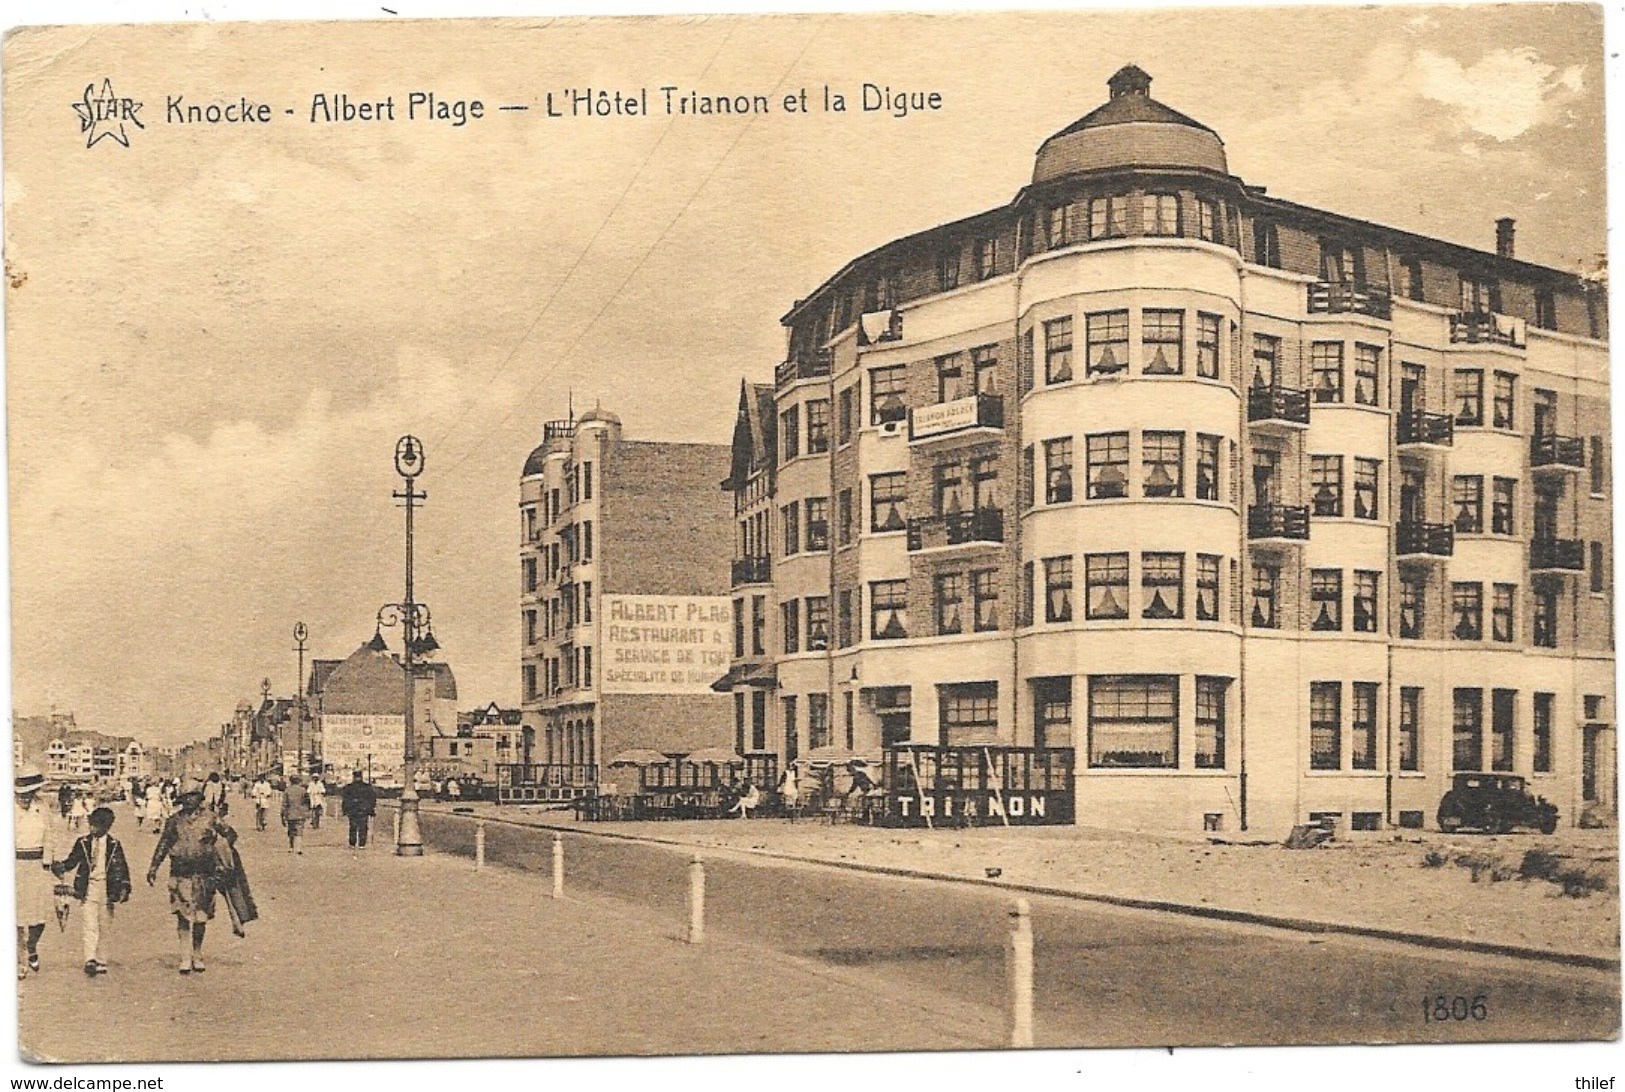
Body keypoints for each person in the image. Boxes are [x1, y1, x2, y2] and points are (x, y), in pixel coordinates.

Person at [147, 779, 235, 974]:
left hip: (205, 873)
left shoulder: (211, 818)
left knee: (201, 917)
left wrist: (216, 841)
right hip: (180, 872)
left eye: (192, 797)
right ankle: (185, 956)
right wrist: (153, 867)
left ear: (199, 799)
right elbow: (163, 844)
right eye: (185, 798)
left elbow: (230, 835)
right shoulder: (174, 820)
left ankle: (197, 952)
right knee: (183, 915)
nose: (188, 801)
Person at [53, 806, 132, 976]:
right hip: (88, 888)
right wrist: (60, 866)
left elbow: (122, 867)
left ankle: (101, 959)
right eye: (91, 825)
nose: (92, 829)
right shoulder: (82, 843)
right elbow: (72, 861)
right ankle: (90, 959)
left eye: (96, 826)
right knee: (89, 924)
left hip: (107, 888)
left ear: (107, 827)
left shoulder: (115, 845)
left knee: (104, 924)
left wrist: (124, 887)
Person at [15, 767, 56, 981]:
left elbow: (49, 834)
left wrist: (47, 861)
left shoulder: (42, 806)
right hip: (16, 866)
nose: (27, 797)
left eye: (32, 792)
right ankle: (21, 961)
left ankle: (32, 946)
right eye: (24, 793)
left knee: (41, 917)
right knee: (18, 918)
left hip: (39, 865)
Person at [340, 770, 377, 850]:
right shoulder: (367, 787)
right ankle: (361, 844)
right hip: (362, 810)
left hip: (354, 809)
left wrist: (345, 810)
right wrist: (371, 809)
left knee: (353, 827)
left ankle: (353, 843)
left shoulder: (349, 787)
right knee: (362, 827)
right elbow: (372, 798)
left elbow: (345, 799)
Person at [281, 774, 311, 855]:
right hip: (300, 813)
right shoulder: (303, 790)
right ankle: (298, 848)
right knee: (299, 830)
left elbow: (284, 804)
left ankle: (291, 847)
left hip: (290, 813)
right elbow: (307, 802)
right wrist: (307, 812)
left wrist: (282, 815)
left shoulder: (287, 790)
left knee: (291, 831)